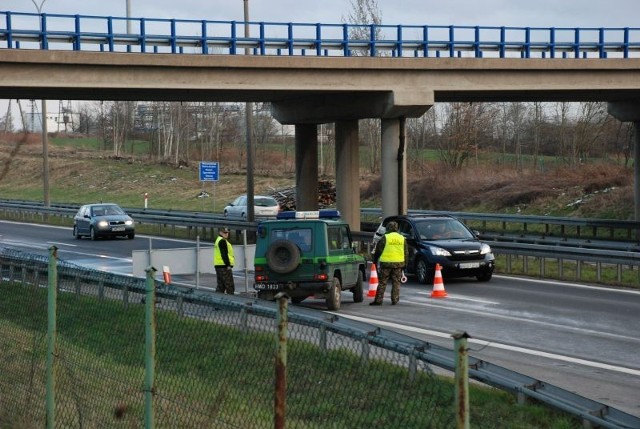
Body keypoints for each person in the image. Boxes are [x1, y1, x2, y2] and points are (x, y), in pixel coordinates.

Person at [370, 221, 408, 306]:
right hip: (398, 264)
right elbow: (406, 253)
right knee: (396, 282)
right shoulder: (402, 238)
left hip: (386, 264)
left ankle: (378, 300)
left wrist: (375, 261)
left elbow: (378, 250)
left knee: (382, 282)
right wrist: (405, 265)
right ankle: (394, 299)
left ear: (388, 228)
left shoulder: (385, 238)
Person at [213, 226, 235, 294]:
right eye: (224, 233)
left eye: (227, 233)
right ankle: (231, 301)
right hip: (224, 266)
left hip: (218, 265)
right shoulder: (222, 241)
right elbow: (224, 254)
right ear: (220, 232)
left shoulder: (218, 240)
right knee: (229, 286)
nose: (226, 234)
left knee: (221, 286)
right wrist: (228, 265)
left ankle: (217, 301)